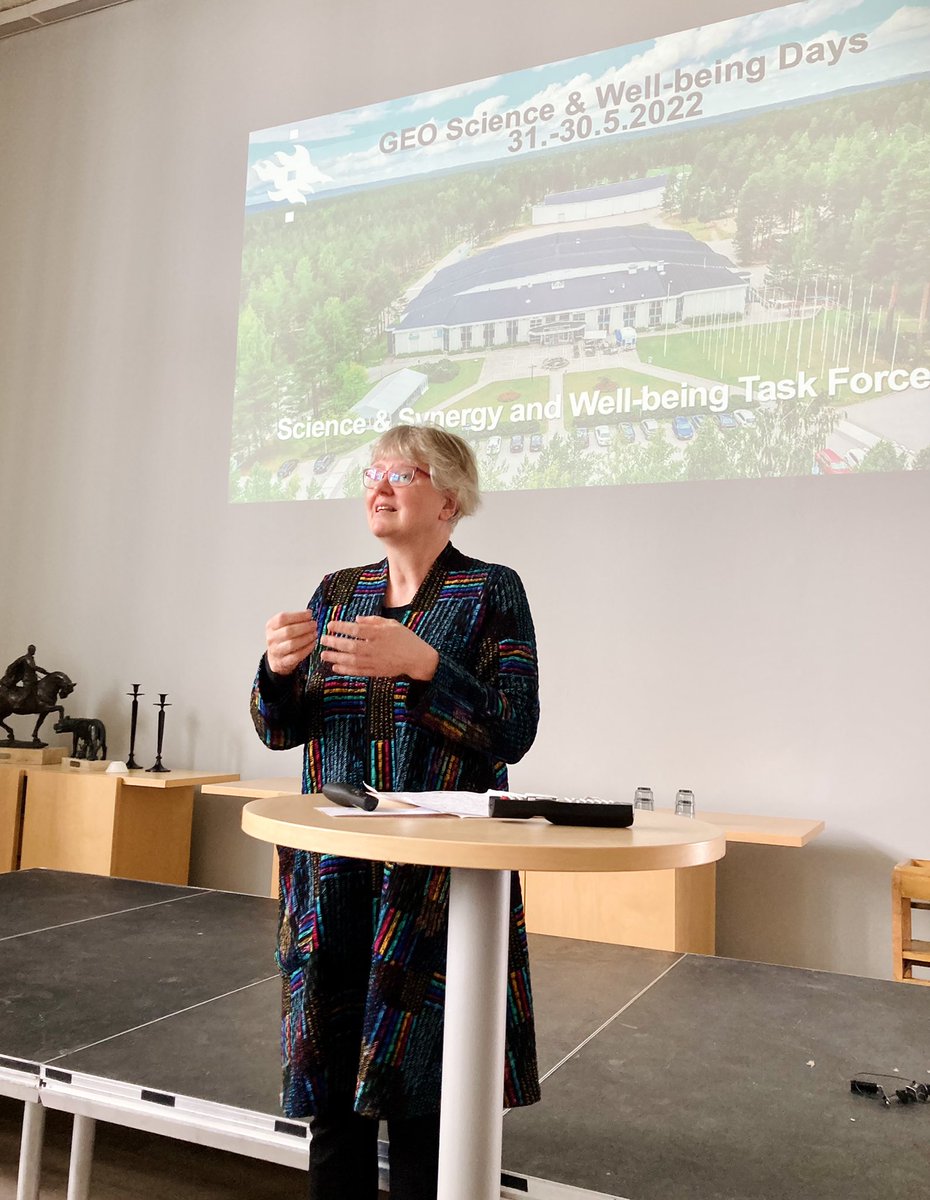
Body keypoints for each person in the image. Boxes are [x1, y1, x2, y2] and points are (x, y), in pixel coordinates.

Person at [250, 426, 541, 1199]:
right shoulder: (338, 592)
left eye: (402, 474)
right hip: (333, 877)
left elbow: (513, 728)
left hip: (435, 883)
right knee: (331, 1093)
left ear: (449, 499)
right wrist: (276, 673)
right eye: (372, 472)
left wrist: (424, 666)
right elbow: (282, 729)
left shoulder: (490, 591)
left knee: (427, 1089)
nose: (379, 485)